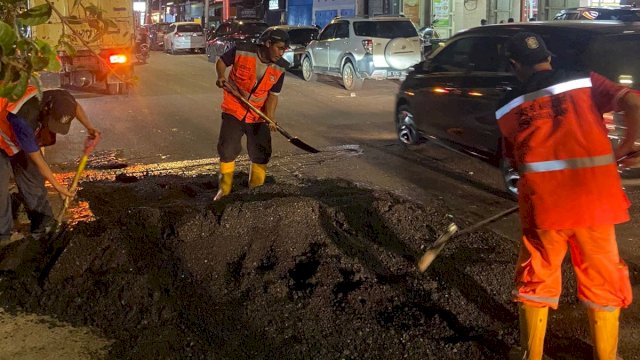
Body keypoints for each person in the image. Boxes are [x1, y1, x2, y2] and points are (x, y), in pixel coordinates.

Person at [496, 32, 640, 360]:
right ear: (548, 57)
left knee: (537, 279)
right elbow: (633, 102)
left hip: (546, 209)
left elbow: (515, 158)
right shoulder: (584, 80)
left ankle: (530, 355)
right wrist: (629, 144)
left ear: (515, 65)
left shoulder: (507, 106)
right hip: (596, 204)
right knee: (604, 281)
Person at [0, 87, 88, 245]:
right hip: (2, 135)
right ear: (47, 110)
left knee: (32, 179)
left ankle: (42, 224)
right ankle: (3, 237)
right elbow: (37, 160)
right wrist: (58, 187)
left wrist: (90, 128)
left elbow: (75, 107)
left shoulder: (60, 98)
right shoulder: (23, 118)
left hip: (18, 135)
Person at [213, 28, 290, 201]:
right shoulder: (243, 50)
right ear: (268, 44)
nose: (282, 52)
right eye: (279, 48)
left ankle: (256, 190)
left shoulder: (280, 67)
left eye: (284, 49)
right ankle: (224, 190)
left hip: (258, 113)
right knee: (227, 149)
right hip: (234, 107)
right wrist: (221, 76)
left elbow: (272, 96)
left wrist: (270, 116)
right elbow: (221, 62)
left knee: (261, 151)